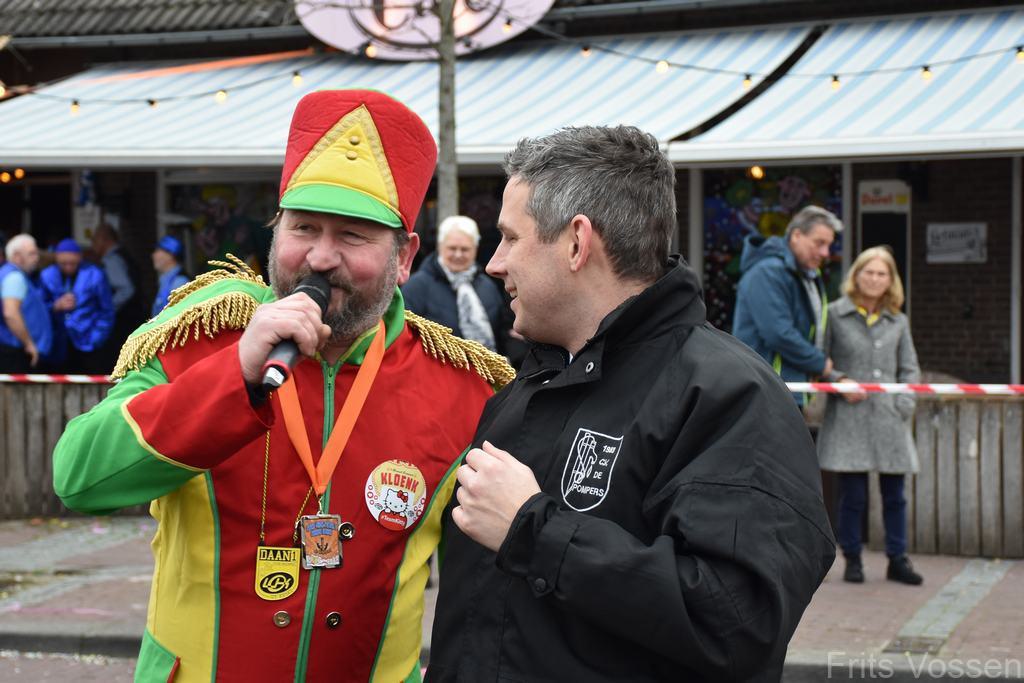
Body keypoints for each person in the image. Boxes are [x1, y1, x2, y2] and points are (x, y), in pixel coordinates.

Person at [53, 90, 513, 683]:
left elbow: (482, 609)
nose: (320, 257)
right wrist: (233, 376)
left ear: (404, 258)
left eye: (352, 235)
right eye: (303, 228)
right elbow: (79, 478)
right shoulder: (201, 336)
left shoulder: (463, 389)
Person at [426, 126, 836, 683]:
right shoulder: (531, 382)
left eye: (510, 238)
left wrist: (535, 531)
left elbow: (738, 623)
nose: (494, 264)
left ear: (577, 243)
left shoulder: (729, 395)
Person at [816, 246, 923, 586]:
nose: (875, 279)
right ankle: (852, 559)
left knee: (895, 495)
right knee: (853, 496)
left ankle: (898, 559)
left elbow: (909, 368)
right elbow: (819, 360)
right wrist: (838, 381)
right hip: (849, 417)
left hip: (889, 418)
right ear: (856, 275)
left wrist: (903, 405)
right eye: (869, 272)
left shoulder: (898, 320)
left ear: (891, 280)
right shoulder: (835, 314)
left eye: (882, 274)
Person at [732, 206, 843, 405]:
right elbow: (778, 333)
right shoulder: (768, 272)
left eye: (828, 245)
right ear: (796, 235)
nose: (825, 252)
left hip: (781, 387)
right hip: (768, 390)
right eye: (819, 243)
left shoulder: (803, 273)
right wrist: (819, 363)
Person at [401, 215, 504, 351]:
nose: (458, 255)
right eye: (452, 248)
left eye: (465, 249)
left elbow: (502, 333)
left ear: (475, 249)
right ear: (440, 247)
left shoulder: (488, 286)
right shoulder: (416, 286)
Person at [38, 237, 114, 374]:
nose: (68, 267)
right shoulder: (47, 275)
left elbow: (107, 310)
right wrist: (55, 306)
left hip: (87, 341)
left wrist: (97, 338)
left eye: (72, 263)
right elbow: (38, 308)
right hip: (57, 343)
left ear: (80, 257)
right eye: (63, 263)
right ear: (56, 258)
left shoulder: (95, 275)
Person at [92, 223, 146, 359]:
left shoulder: (112, 260)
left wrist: (109, 308)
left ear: (104, 239)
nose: (93, 245)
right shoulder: (124, 255)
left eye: (95, 240)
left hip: (123, 321)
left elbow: (127, 289)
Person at [0, 234, 51, 372]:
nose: (36, 258)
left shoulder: (10, 274)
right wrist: (29, 343)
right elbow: (10, 313)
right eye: (31, 254)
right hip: (14, 351)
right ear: (17, 257)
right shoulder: (14, 277)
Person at [151, 234, 190, 316]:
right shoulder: (166, 280)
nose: (153, 255)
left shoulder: (179, 282)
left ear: (170, 255)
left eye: (157, 251)